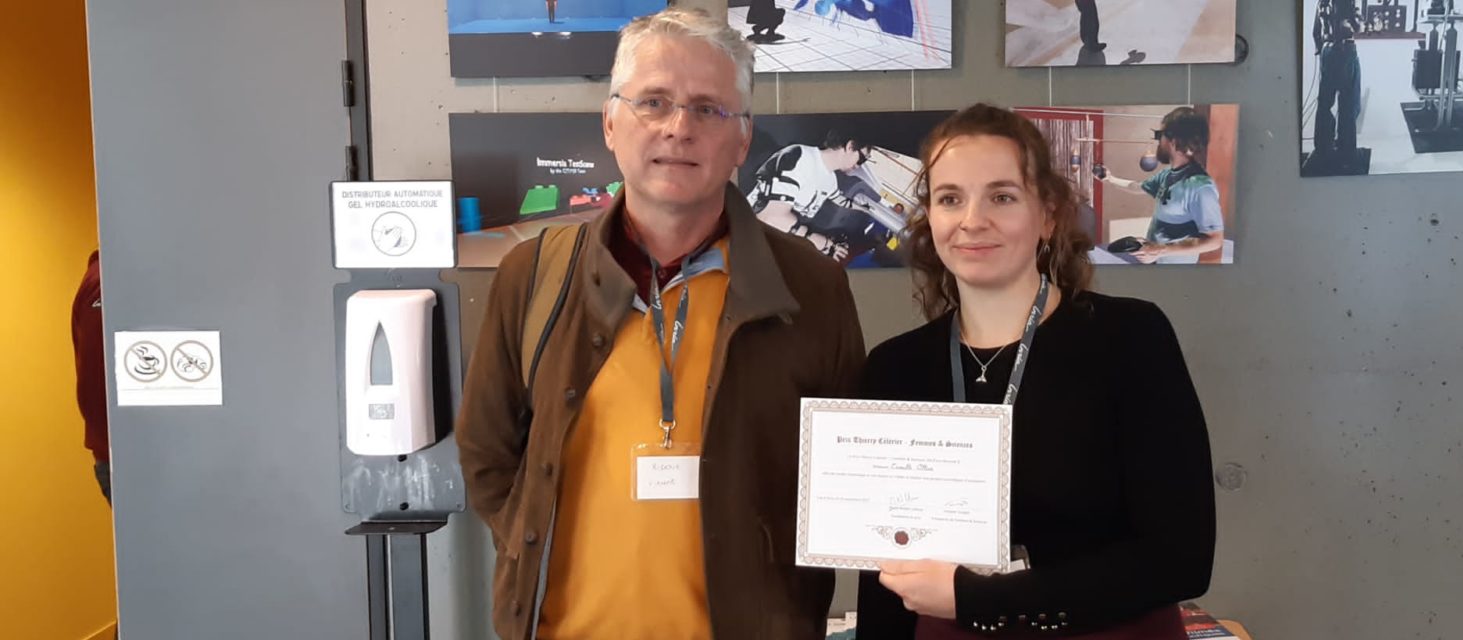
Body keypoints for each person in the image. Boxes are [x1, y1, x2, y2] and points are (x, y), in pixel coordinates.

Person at [456, 8, 865, 640]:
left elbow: (843, 474)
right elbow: (487, 452)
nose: (679, 128)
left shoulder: (812, 287)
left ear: (743, 140)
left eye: (708, 109)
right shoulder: (532, 276)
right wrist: (532, 538)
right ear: (611, 122)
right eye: (654, 102)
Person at [855, 104, 1215, 639]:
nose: (972, 219)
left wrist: (981, 598)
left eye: (1001, 196)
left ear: (1047, 214)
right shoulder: (895, 367)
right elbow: (885, 579)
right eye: (950, 198)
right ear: (929, 217)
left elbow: (1180, 559)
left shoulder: (1129, 339)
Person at [1094, 107, 1225, 264]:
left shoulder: (1200, 187)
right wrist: (1109, 179)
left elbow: (1215, 240)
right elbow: (1137, 187)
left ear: (1174, 140)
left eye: (1159, 135)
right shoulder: (1167, 174)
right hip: (1155, 261)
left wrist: (1160, 250)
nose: (1157, 141)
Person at [748, 132, 875, 262]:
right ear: (850, 146)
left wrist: (863, 208)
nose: (859, 166)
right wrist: (824, 243)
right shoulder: (798, 156)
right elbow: (771, 218)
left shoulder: (831, 180)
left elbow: (840, 200)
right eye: (862, 159)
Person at [71, 249, 110, 504]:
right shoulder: (105, 281)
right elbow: (96, 379)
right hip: (127, 457)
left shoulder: (102, 278)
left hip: (118, 452)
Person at [1309, 0, 1362, 172]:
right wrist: (1358, 20)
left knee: (1325, 104)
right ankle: (1347, 152)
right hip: (1344, 50)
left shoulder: (1321, 2)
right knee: (1348, 104)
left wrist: (1321, 49)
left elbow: (1315, 31)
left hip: (1327, 51)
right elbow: (1355, 26)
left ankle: (1323, 148)